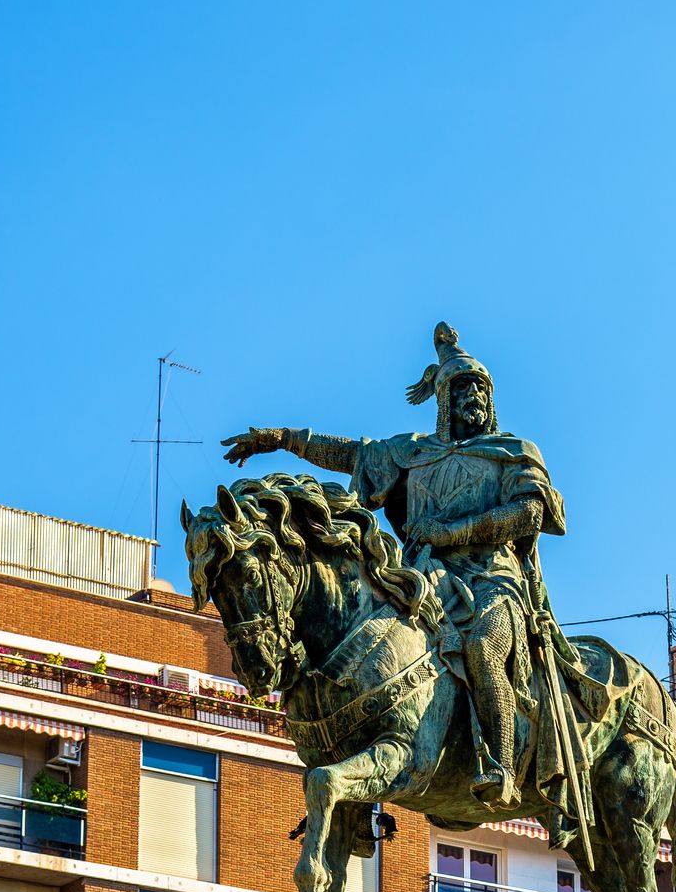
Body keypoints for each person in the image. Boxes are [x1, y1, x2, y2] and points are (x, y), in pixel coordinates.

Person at [220, 322, 579, 808]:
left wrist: (455, 532)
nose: (473, 395)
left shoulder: (511, 453)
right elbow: (350, 453)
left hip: (494, 579)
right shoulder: (413, 453)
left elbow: (530, 512)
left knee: (482, 649)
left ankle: (499, 765)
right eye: (461, 388)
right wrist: (283, 438)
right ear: (443, 400)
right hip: (422, 578)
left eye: (480, 388)